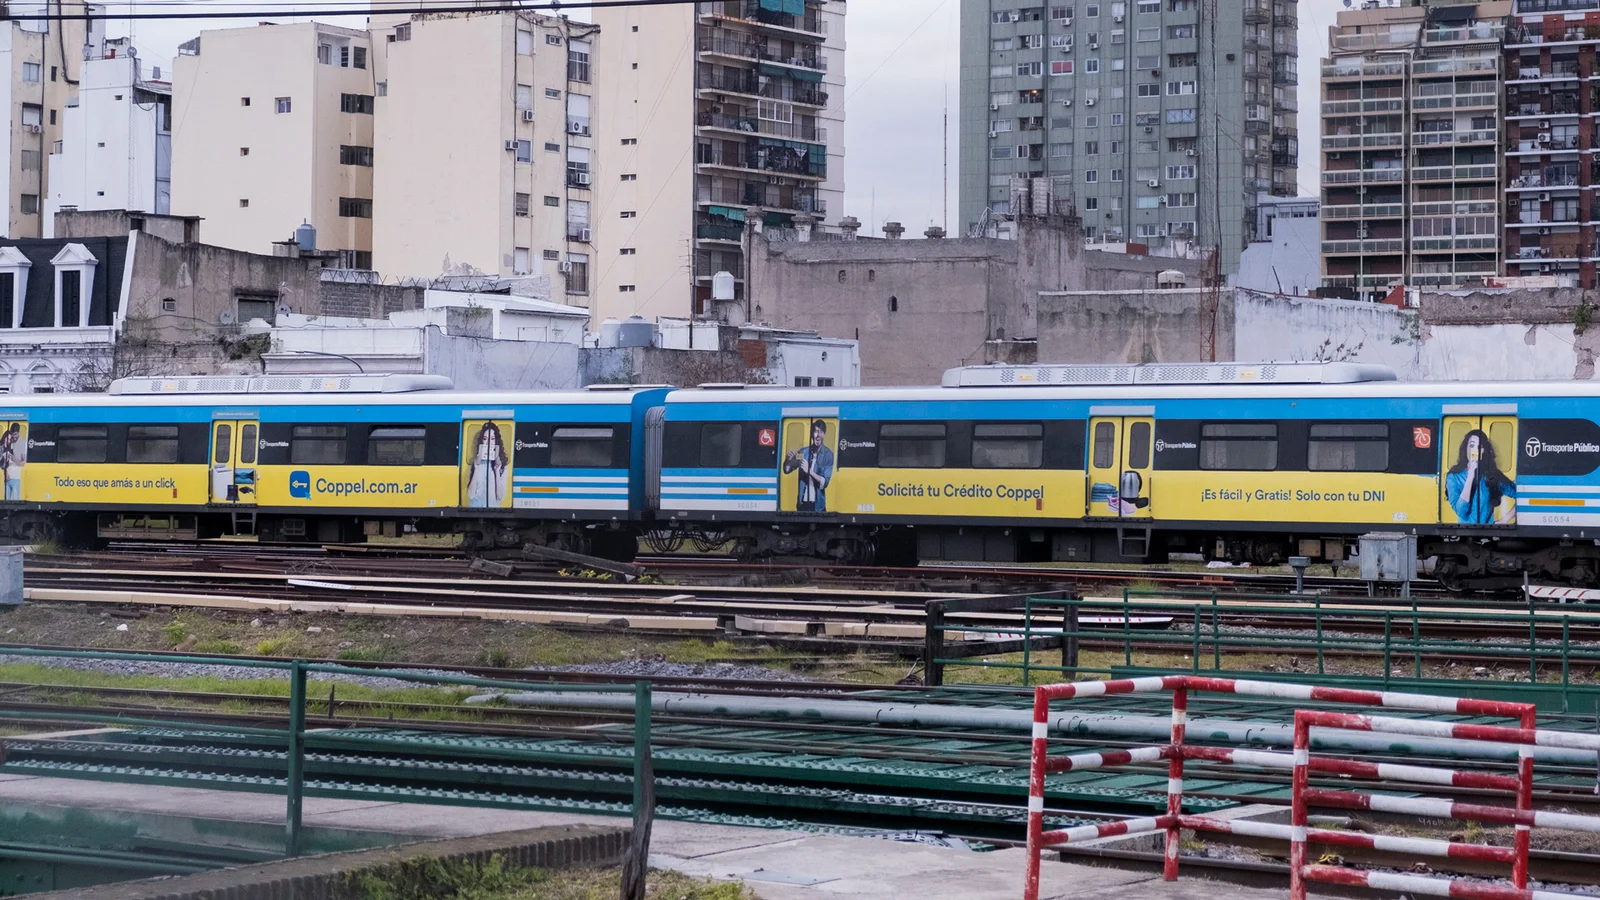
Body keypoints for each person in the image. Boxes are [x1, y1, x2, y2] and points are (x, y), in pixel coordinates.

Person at [1445, 429, 1516, 525]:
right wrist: (1470, 477)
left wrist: (1504, 520)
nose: (1475, 450)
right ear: (1465, 448)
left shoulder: (1492, 475)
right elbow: (1461, 512)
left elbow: (1520, 496)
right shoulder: (1454, 477)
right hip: (1463, 531)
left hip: (1488, 531)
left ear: (1484, 451)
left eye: (1480, 447)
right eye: (1471, 445)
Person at [782, 419, 834, 512]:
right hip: (802, 504)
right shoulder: (803, 453)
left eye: (821, 432)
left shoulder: (828, 455)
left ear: (824, 435)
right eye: (815, 431)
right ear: (812, 434)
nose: (818, 435)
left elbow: (824, 482)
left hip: (818, 506)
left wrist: (809, 471)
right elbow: (787, 470)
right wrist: (788, 460)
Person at [465, 421, 509, 508]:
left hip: (494, 511)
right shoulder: (474, 462)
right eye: (485, 439)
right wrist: (476, 468)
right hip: (474, 509)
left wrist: (497, 471)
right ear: (482, 441)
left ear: (496, 441)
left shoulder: (503, 466)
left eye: (492, 439)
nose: (489, 442)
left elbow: (500, 497)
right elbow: (470, 495)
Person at [1, 423, 21, 502]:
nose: (9, 441)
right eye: (8, 439)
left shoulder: (10, 450)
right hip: (8, 477)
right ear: (4, 438)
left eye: (10, 439)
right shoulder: (1, 449)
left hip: (12, 477)